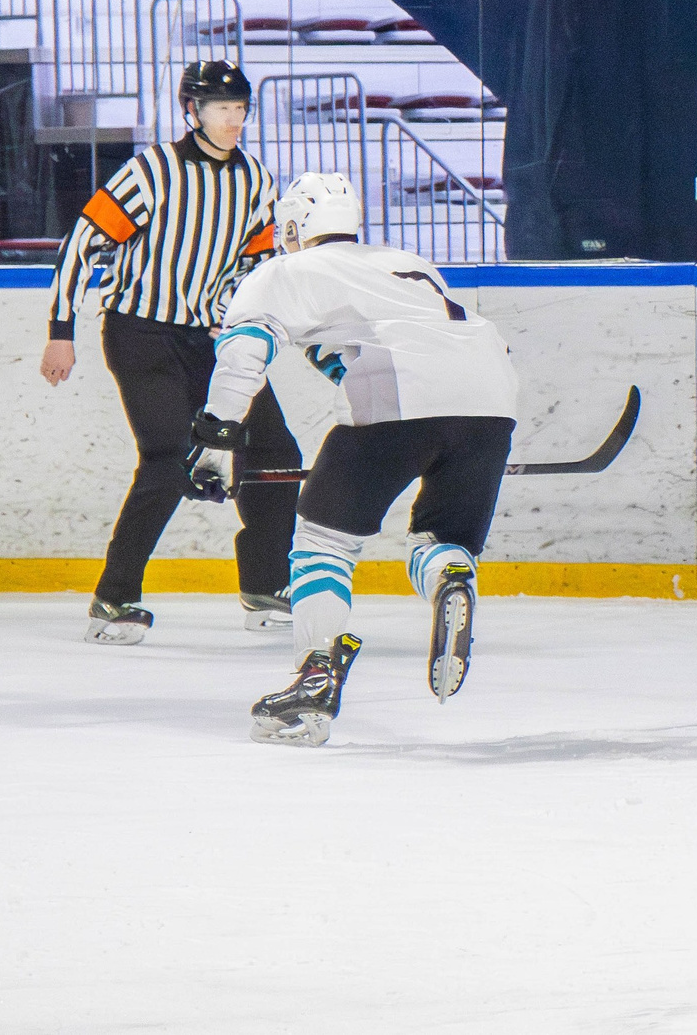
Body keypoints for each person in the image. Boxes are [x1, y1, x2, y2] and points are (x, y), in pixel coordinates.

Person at [189, 171, 521, 746]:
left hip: (404, 394)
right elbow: (373, 347)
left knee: (324, 539)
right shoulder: (405, 263)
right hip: (492, 399)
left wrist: (219, 434)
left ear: (292, 227)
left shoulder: (284, 270)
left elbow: (246, 347)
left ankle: (316, 678)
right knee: (439, 536)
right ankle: (450, 573)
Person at [41, 60, 301, 643]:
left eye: (240, 110)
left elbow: (255, 266)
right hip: (140, 333)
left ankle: (265, 584)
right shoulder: (153, 169)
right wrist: (63, 329)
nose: (234, 120)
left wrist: (232, 319)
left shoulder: (257, 179)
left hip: (210, 342)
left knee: (277, 451)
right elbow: (83, 240)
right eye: (221, 109)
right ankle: (114, 598)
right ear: (193, 111)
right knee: (167, 458)